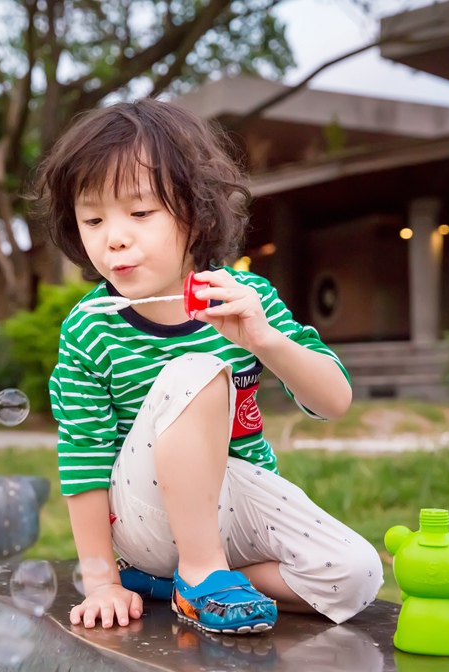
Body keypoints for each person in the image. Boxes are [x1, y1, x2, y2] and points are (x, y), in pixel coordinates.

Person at [36, 99, 383, 635]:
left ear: (196, 215)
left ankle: (186, 580)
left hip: (232, 497)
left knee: (356, 575)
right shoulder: (90, 329)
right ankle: (197, 573)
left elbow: (333, 401)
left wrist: (264, 339)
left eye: (141, 212)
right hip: (142, 515)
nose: (115, 237)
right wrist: (101, 580)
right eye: (93, 218)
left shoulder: (246, 299)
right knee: (195, 369)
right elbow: (84, 456)